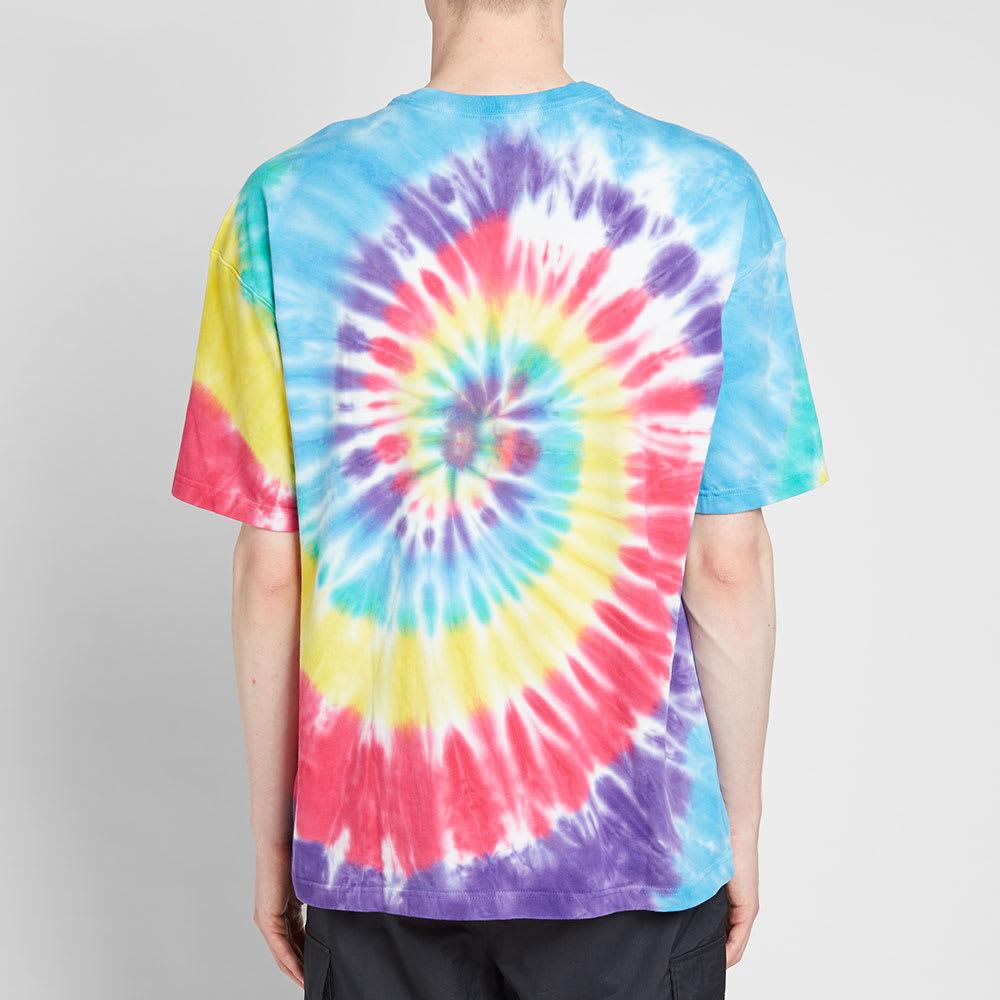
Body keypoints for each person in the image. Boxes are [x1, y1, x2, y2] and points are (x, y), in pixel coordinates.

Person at [172, 1, 826, 996]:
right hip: (636, 856)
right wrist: (736, 826)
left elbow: (270, 572)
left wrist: (274, 845)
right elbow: (725, 562)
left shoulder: (285, 201)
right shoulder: (709, 194)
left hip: (376, 854)